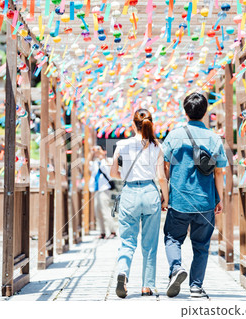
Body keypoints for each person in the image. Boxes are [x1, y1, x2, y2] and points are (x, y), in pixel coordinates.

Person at [162, 92, 228, 298]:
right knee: (201, 245)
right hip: (205, 201)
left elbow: (163, 165)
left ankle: (176, 269)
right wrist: (219, 198)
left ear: (185, 111)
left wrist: (166, 191)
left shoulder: (174, 135)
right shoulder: (214, 138)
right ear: (205, 112)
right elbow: (219, 171)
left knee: (172, 238)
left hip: (179, 200)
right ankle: (196, 286)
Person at [110, 109, 169, 298]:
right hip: (150, 193)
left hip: (129, 194)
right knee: (150, 244)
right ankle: (147, 286)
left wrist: (125, 176)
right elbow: (161, 177)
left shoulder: (121, 144)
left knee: (127, 241)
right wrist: (165, 198)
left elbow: (113, 173)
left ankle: (123, 272)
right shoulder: (157, 146)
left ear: (132, 125)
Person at [88, 145, 116, 239]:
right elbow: (88, 167)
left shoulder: (107, 160)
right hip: (97, 189)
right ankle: (102, 232)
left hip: (105, 189)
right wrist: (91, 153)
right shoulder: (95, 162)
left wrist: (101, 154)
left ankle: (112, 231)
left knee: (105, 211)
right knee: (98, 212)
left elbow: (110, 169)